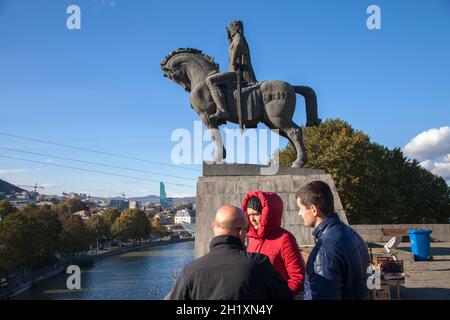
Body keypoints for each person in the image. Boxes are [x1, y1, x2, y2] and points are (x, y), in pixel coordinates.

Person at [169, 205, 293, 300]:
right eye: (247, 229)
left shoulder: (190, 271)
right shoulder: (259, 264)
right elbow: (285, 296)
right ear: (241, 232)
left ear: (214, 227)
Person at [295, 181, 370, 300]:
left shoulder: (324, 251)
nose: (300, 214)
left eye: (301, 208)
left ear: (313, 210)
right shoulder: (352, 234)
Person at [242, 190, 305, 296]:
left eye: (256, 214)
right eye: (249, 215)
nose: (252, 219)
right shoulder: (251, 239)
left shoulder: (285, 239)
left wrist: (278, 295)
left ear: (267, 214)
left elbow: (298, 277)